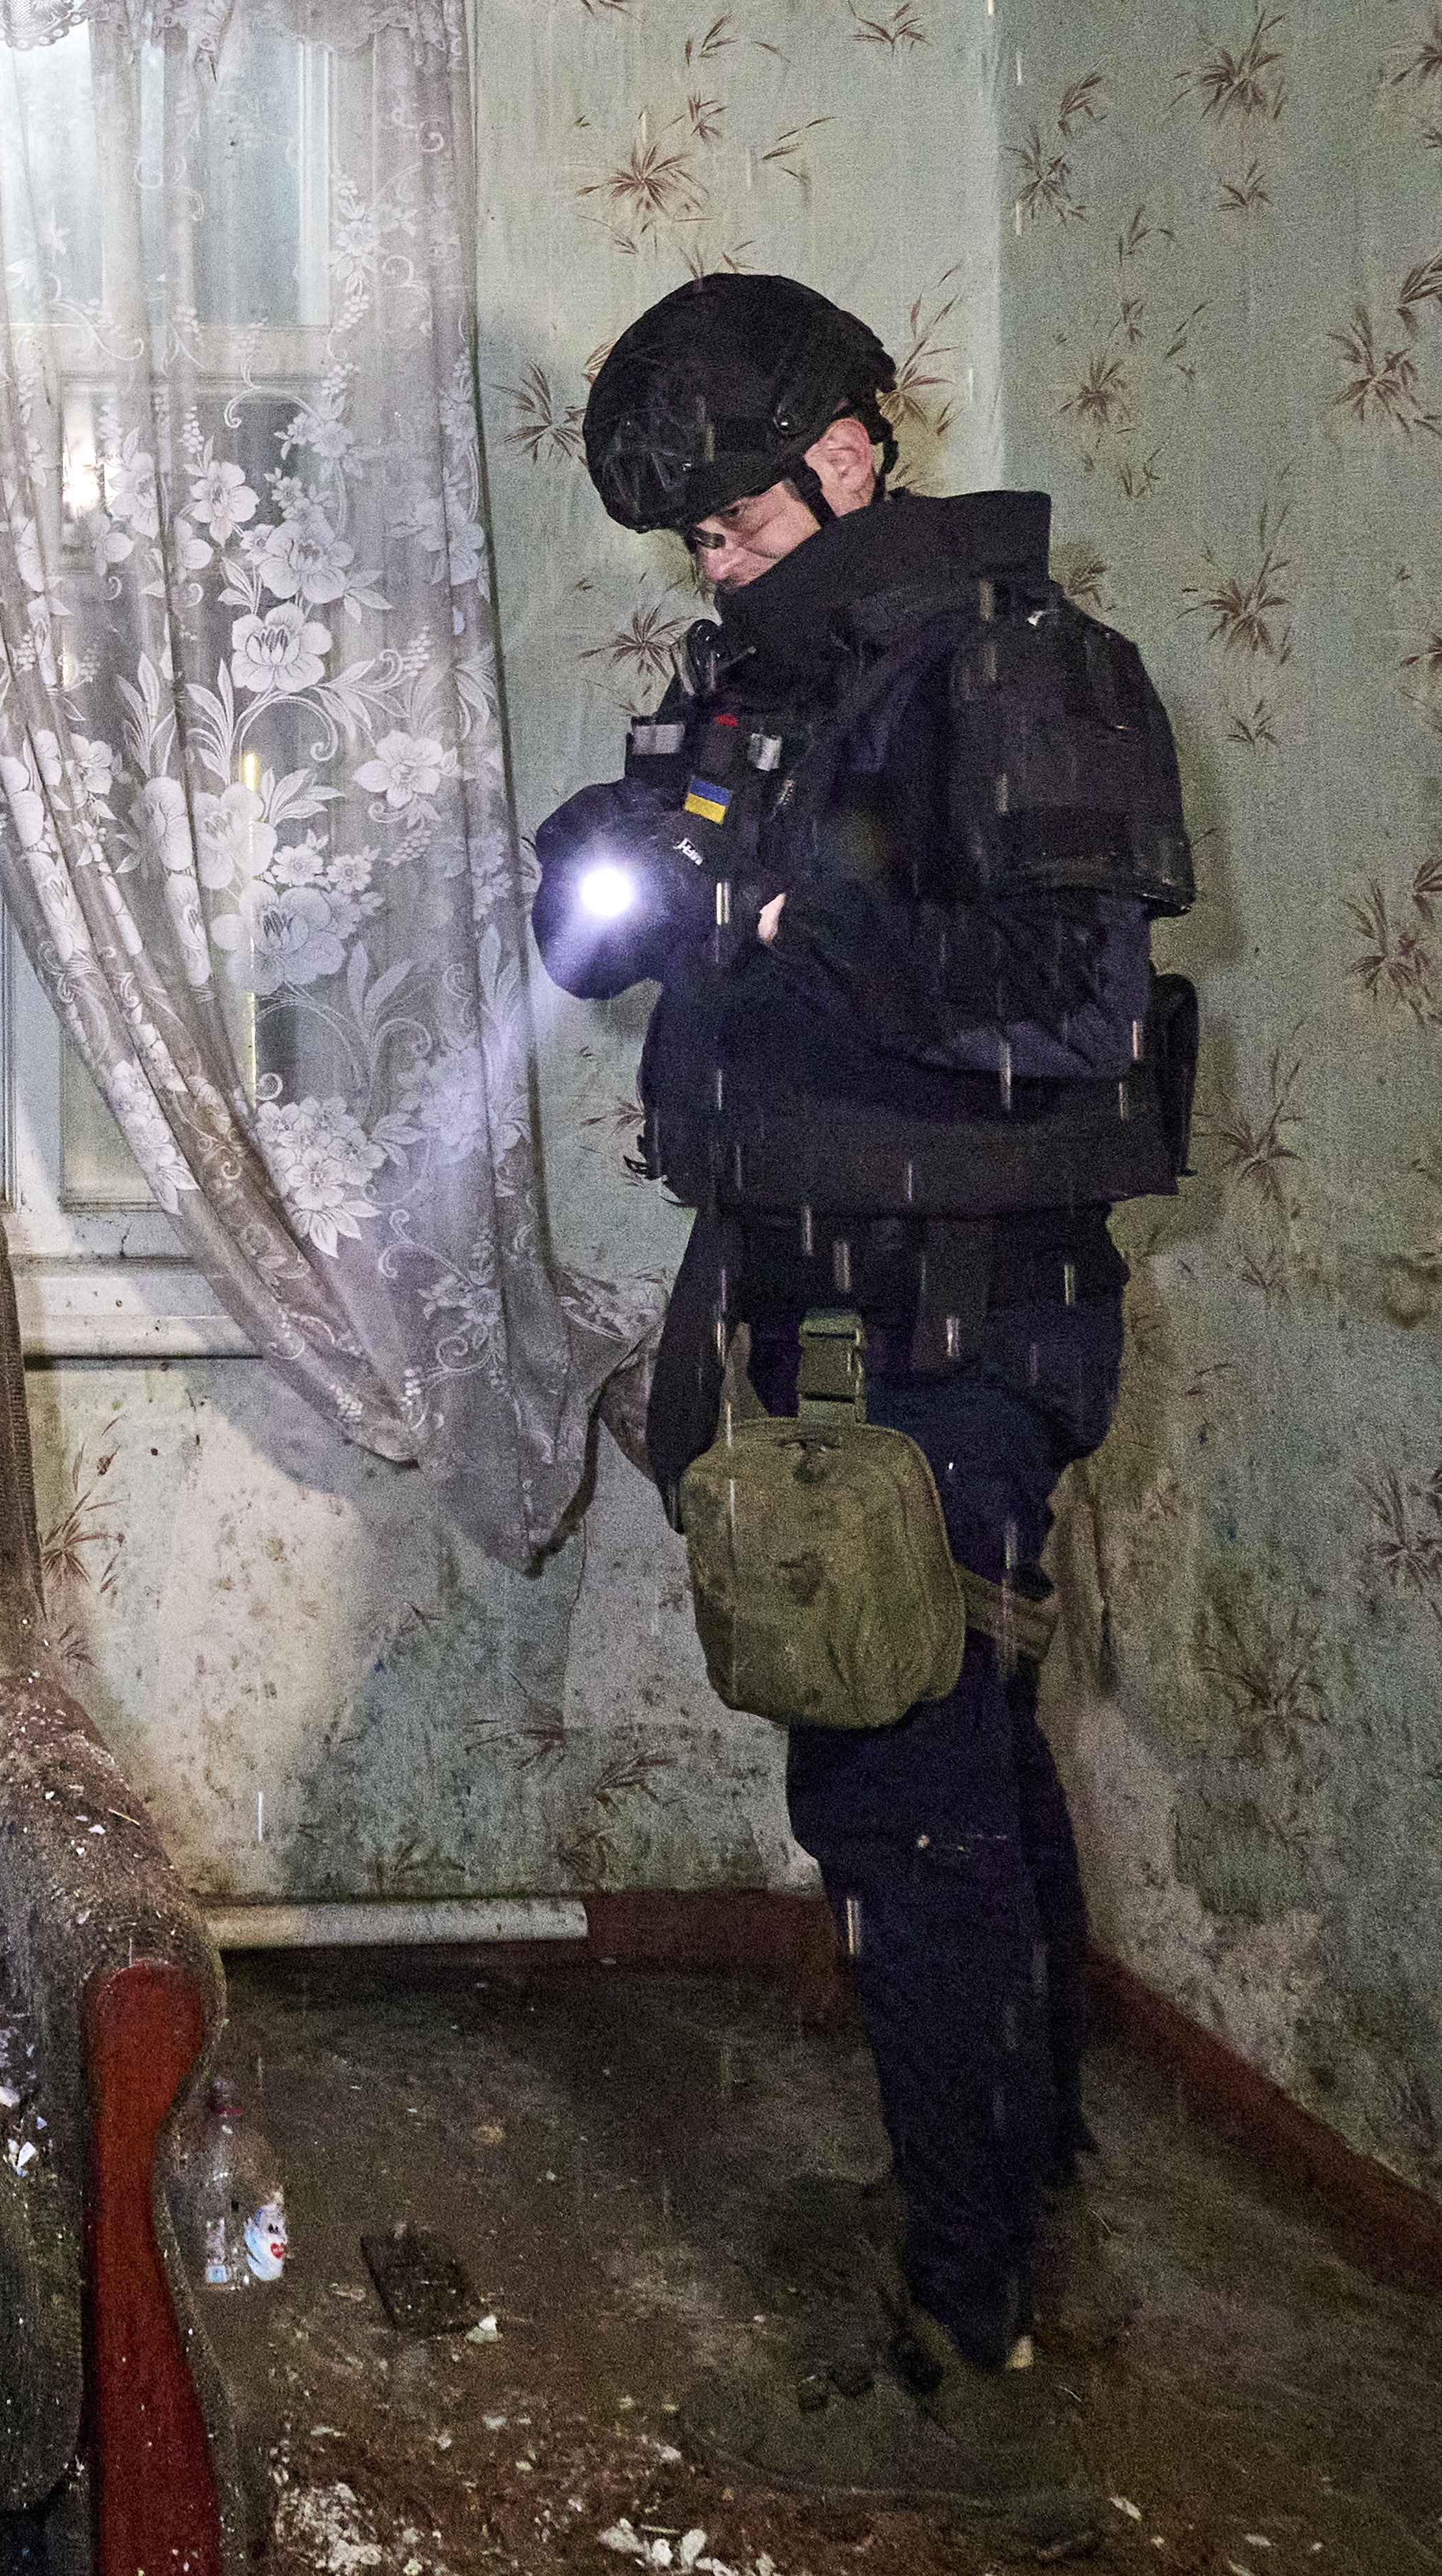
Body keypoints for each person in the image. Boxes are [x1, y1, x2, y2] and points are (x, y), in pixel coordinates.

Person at [530, 272, 1195, 2553]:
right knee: (954, 1777)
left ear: (846, 454)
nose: (713, 565)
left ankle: (965, 2345)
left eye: (730, 519)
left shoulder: (1025, 674)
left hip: (957, 1338)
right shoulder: (779, 679)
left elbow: (1071, 1006)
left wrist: (798, 904)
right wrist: (619, 882)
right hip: (815, 1315)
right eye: (689, 543)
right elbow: (644, 932)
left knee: (903, 1809)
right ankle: (1008, 2208)